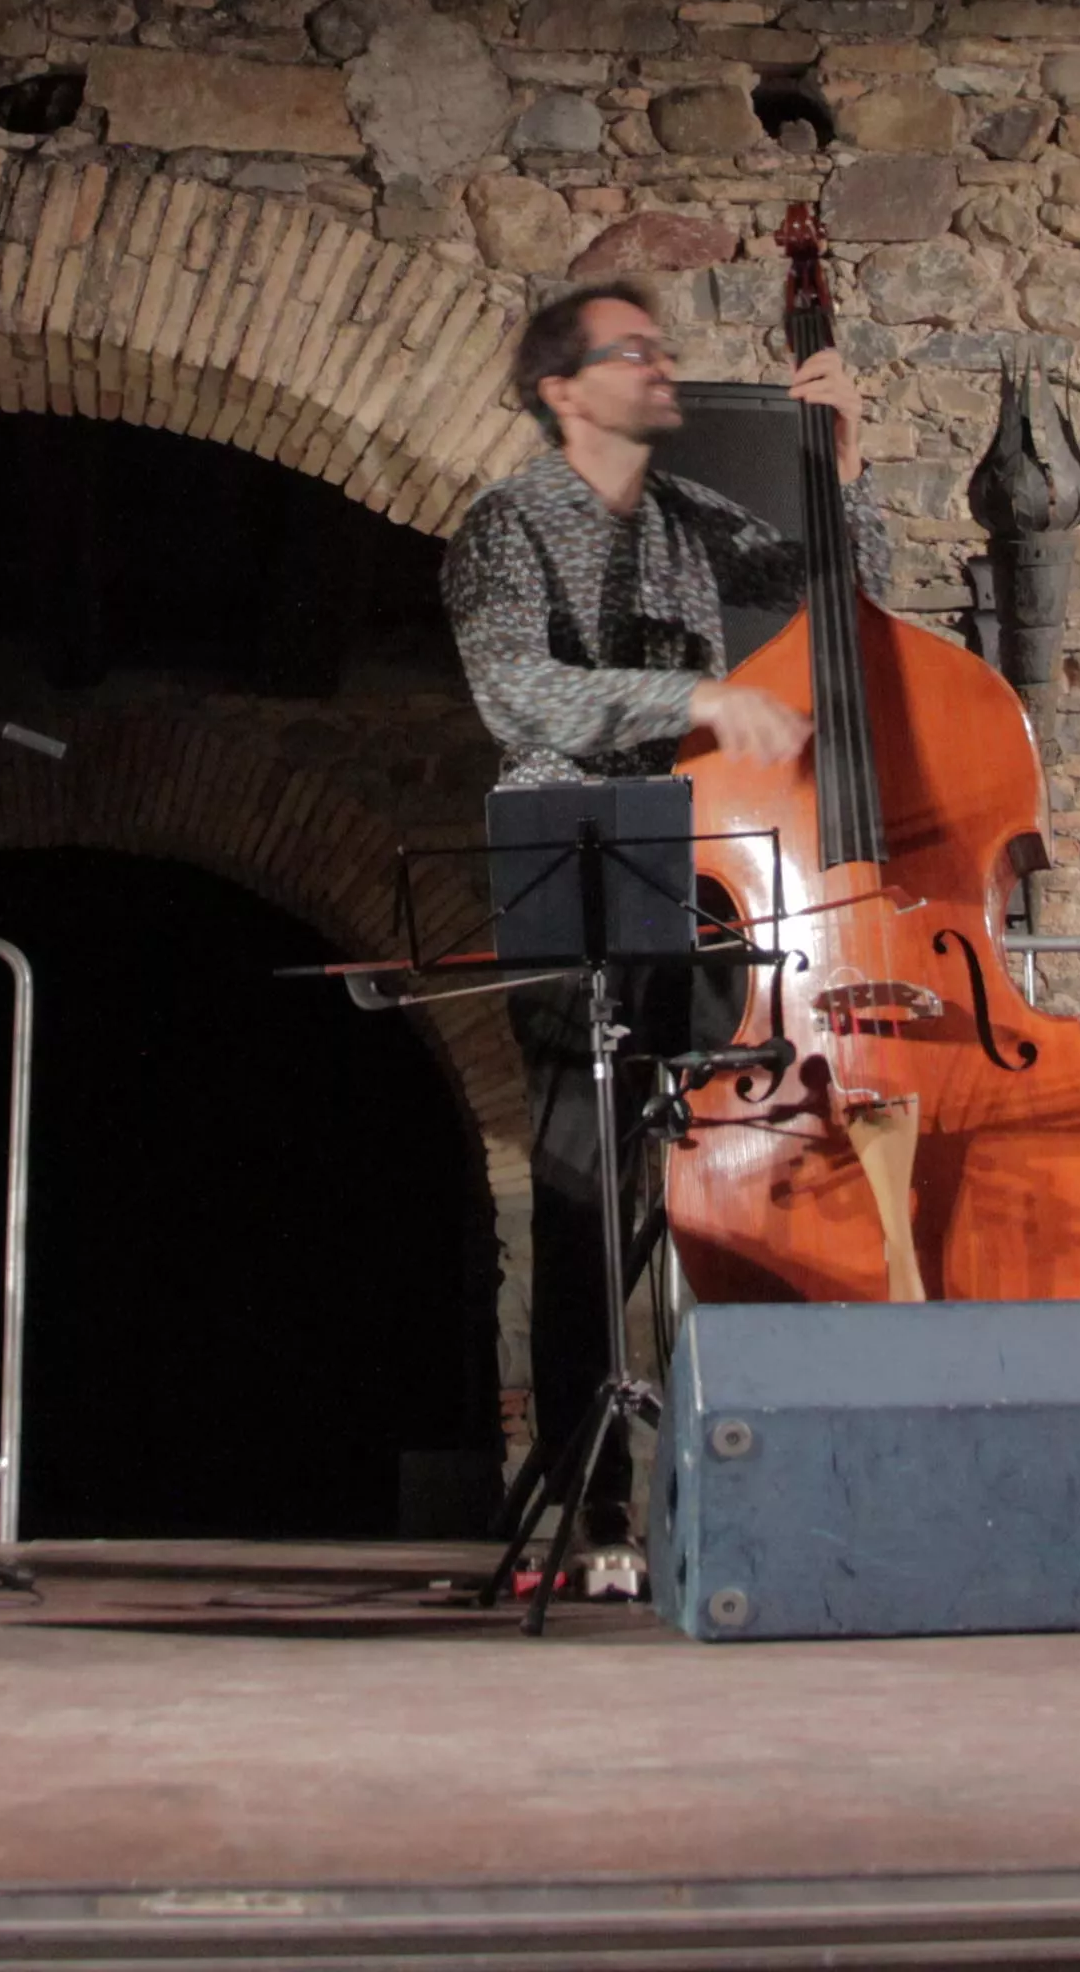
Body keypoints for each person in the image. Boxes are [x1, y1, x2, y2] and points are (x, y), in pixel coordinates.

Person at [439, 277, 881, 1534]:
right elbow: (519, 695)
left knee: (752, 1147)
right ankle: (588, 1493)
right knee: (585, 1180)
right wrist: (687, 701)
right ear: (559, 390)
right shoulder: (507, 527)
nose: (660, 365)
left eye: (660, 345)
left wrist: (843, 472)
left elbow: (837, 595)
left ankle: (768, 1444)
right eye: (630, 352)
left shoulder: (693, 514)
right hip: (581, 859)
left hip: (713, 866)